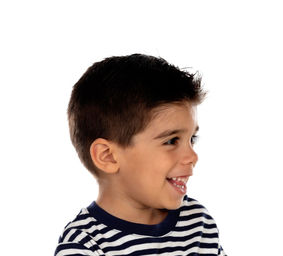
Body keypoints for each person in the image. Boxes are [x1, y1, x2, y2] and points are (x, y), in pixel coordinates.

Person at [54, 54, 226, 256]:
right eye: (171, 141)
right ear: (108, 156)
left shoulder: (198, 223)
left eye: (192, 139)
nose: (192, 156)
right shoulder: (84, 245)